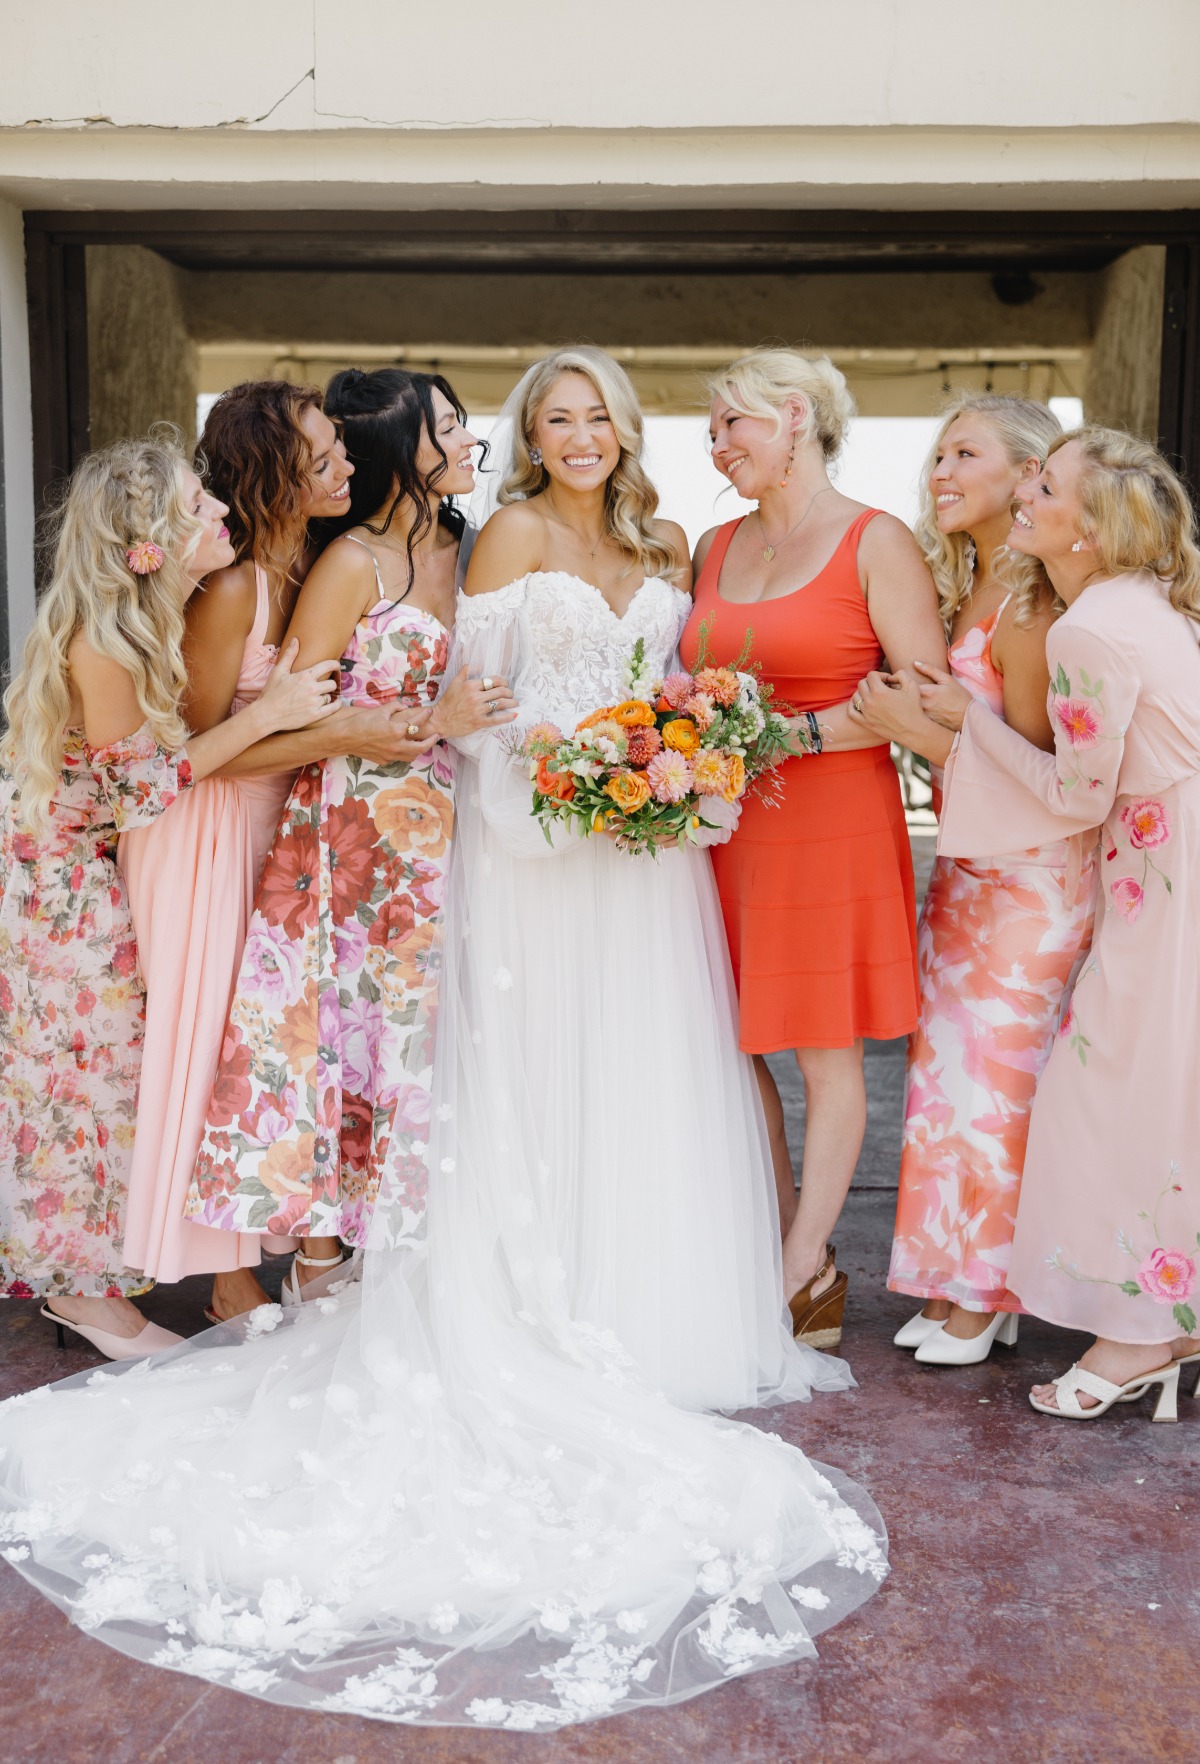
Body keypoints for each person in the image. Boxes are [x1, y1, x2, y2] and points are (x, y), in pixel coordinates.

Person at [0, 356, 888, 1732]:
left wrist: (678, 756)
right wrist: (464, 741)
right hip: (486, 840)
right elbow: (357, 712)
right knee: (457, 1074)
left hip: (633, 852)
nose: (541, 440)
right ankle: (262, 1267)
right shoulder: (422, 555)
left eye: (586, 417)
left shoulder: (640, 545)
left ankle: (647, 1298)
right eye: (524, 422)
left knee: (658, 1080)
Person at [0, 436, 338, 1356]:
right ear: (149, 535)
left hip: (92, 867)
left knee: (109, 1081)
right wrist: (264, 719)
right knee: (76, 1085)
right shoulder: (104, 643)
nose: (220, 512)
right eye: (199, 506)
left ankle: (112, 1277)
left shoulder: (150, 619)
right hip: (60, 886)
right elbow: (136, 788)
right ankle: (82, 1296)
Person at [187, 368, 515, 1290]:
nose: (464, 441)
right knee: (348, 1028)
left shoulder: (478, 545)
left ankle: (418, 1232)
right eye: (445, 427)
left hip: (460, 828)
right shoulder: (348, 565)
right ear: (401, 450)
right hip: (352, 838)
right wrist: (410, 724)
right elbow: (275, 731)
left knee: (431, 1032)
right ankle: (322, 1251)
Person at [914, 427, 1200, 1419]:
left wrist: (969, 722)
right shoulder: (1141, 606)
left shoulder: (1086, 631)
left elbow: (1077, 796)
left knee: (1114, 1092)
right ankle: (1168, 1317)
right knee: (1159, 1088)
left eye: (1045, 485)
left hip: (1164, 887)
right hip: (1170, 866)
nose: (1025, 495)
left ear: (1093, 521)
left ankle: (1140, 1337)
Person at [681, 348, 947, 1345]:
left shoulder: (878, 543)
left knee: (825, 1054)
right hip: (721, 829)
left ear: (795, 417)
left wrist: (784, 736)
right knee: (727, 1036)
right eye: (710, 431)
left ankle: (806, 1266)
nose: (717, 445)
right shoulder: (710, 545)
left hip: (832, 822)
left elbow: (920, 701)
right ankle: (769, 1233)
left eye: (731, 425)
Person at [851, 394, 1097, 1366]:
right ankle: (948, 1276)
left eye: (965, 453)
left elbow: (1045, 770)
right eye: (937, 454)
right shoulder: (975, 585)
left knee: (997, 1074)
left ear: (1026, 471)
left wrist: (912, 732)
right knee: (948, 1069)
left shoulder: (1037, 605)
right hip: (968, 865)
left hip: (1033, 874)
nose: (940, 472)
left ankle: (989, 1288)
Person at [117, 382, 364, 1323]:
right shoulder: (232, 588)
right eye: (321, 454)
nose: (342, 464)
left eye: (339, 445)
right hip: (202, 830)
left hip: (271, 825)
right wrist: (330, 730)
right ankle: (223, 1283)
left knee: (256, 1043)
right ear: (273, 471)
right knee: (207, 1036)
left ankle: (256, 1256)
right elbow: (186, 754)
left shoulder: (312, 563)